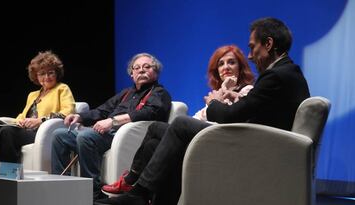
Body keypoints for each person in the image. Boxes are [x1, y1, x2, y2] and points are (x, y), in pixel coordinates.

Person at [95, 17, 310, 205]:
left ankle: (138, 192)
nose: (251, 56)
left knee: (179, 125)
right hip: (255, 139)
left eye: (253, 47)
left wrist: (215, 101)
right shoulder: (287, 72)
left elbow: (229, 116)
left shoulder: (275, 76)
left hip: (255, 146)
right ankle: (141, 193)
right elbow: (251, 109)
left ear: (269, 44)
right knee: (157, 133)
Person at [101, 45, 255, 196]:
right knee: (152, 144)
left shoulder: (246, 91)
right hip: (204, 135)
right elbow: (195, 119)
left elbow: (229, 116)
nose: (225, 67)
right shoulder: (216, 94)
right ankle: (144, 196)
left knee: (156, 127)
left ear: (240, 67)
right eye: (221, 64)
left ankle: (132, 182)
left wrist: (224, 91)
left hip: (220, 139)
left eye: (231, 62)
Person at [50, 53, 172, 200]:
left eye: (147, 67)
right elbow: (102, 110)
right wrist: (80, 117)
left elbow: (151, 112)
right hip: (105, 133)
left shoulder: (160, 92)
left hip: (124, 136)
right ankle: (61, 188)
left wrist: (113, 121)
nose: (141, 70)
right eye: (137, 68)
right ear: (131, 74)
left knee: (85, 137)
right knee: (60, 135)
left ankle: (92, 194)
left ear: (156, 72)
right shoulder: (126, 93)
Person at [0, 50, 76, 165]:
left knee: (7, 132)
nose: (47, 77)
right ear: (36, 76)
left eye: (51, 73)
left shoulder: (62, 89)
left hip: (43, 132)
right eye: (42, 74)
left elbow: (68, 111)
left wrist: (40, 120)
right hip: (26, 131)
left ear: (57, 73)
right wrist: (20, 122)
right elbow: (22, 115)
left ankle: (8, 173)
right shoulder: (33, 95)